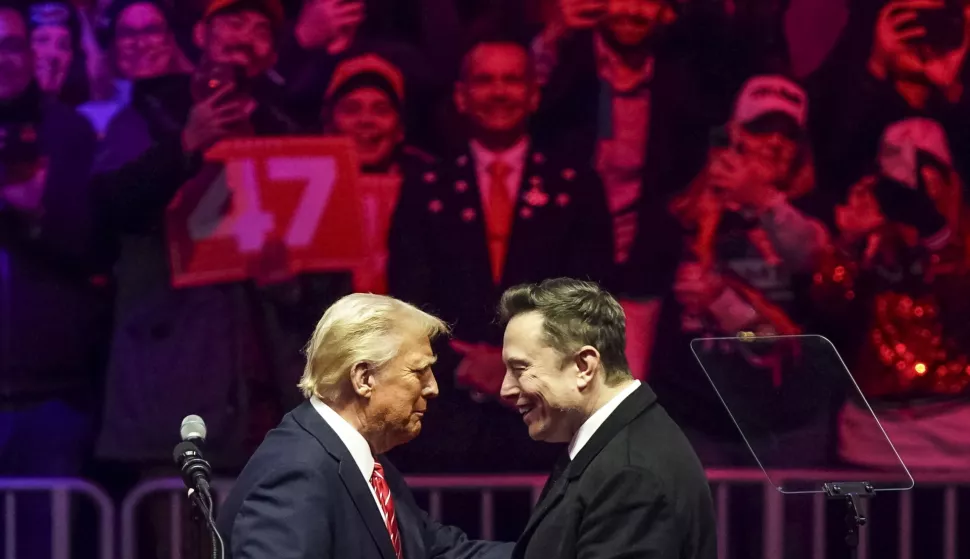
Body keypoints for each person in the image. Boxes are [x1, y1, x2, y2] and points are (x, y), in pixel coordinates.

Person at [386, 38, 613, 474]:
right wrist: (466, 366)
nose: (499, 92)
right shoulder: (425, 187)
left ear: (533, 94)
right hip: (447, 415)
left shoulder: (577, 186)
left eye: (512, 80)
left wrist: (517, 365)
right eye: (484, 80)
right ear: (462, 96)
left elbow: (590, 298)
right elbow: (408, 300)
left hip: (547, 417)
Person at [216, 293, 514, 559]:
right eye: (419, 371)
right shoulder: (295, 472)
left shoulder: (365, 460)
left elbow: (440, 551)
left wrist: (554, 547)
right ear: (364, 378)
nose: (433, 388)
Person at [497, 278, 716, 559]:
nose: (506, 389)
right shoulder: (619, 444)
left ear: (583, 366)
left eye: (519, 368)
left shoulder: (632, 475)